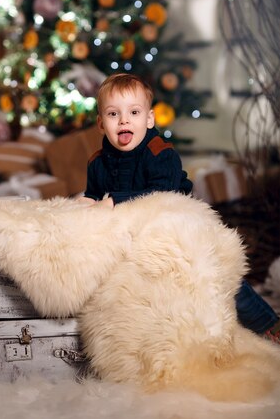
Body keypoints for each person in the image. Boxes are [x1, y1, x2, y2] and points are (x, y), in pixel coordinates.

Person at [79, 72, 280, 343]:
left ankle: (266, 324)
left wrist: (114, 200)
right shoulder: (97, 163)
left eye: (134, 112)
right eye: (113, 114)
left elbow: (164, 194)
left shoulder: (161, 153)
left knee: (216, 271)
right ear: (101, 124)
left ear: (149, 119)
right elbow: (94, 198)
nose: (124, 120)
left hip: (179, 223)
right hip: (133, 237)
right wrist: (85, 205)